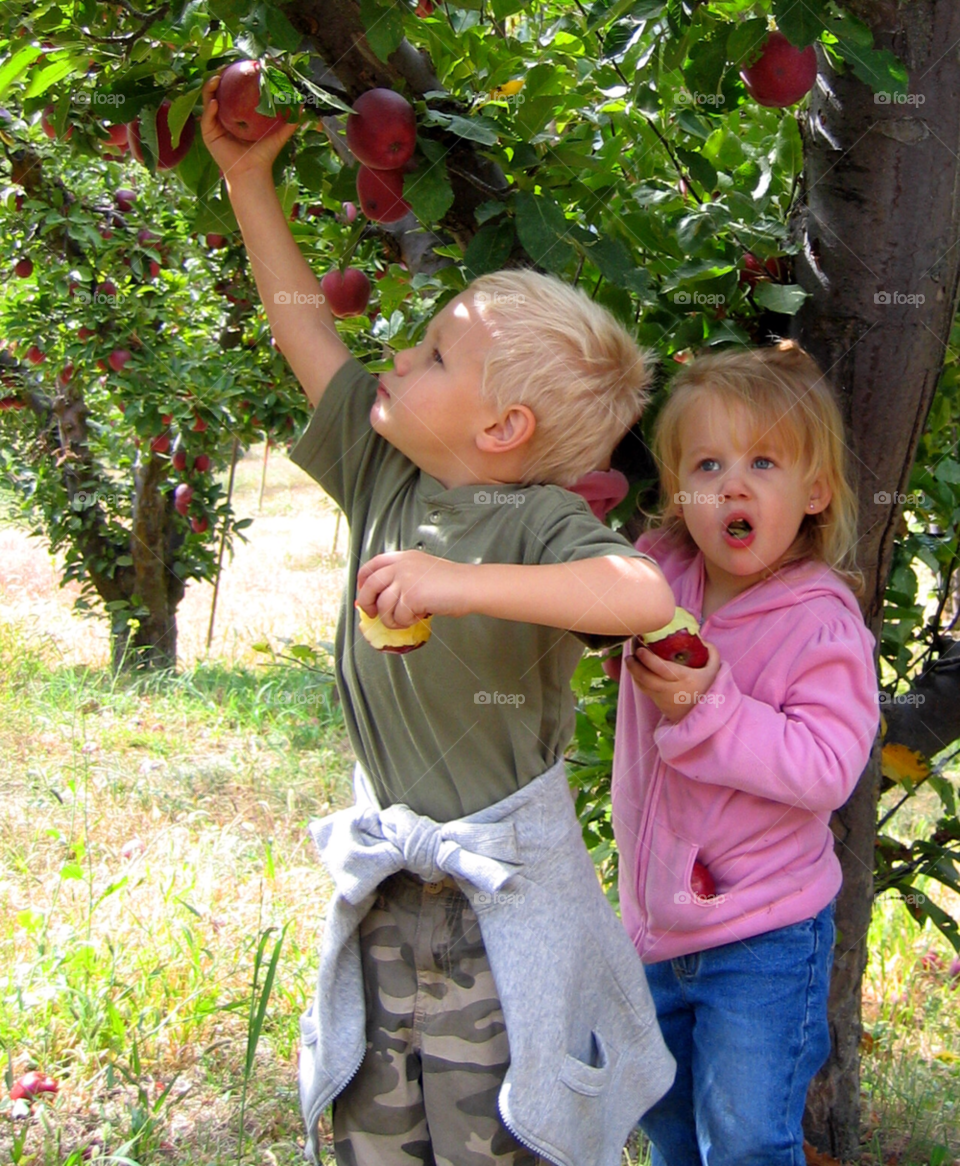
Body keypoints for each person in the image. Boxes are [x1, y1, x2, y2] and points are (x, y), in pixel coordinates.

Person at [200, 78, 678, 1166]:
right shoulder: (384, 472)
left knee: (496, 1127)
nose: (397, 359)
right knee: (373, 1113)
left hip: (495, 903)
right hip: (385, 883)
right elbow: (304, 331)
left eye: (431, 357)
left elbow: (643, 598)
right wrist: (246, 182)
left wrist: (458, 583)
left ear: (505, 426)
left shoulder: (543, 520)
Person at [611, 342, 880, 1166]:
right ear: (677, 490)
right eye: (707, 463)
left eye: (762, 461)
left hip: (764, 934)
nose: (732, 483)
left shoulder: (821, 621)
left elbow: (826, 768)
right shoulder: (652, 580)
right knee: (669, 1124)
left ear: (814, 492)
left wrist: (710, 708)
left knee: (745, 1140)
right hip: (655, 923)